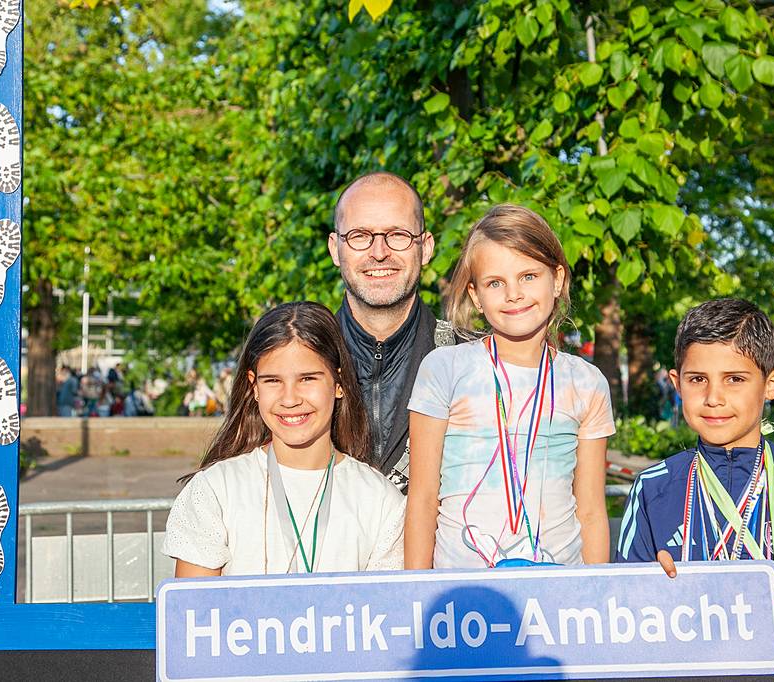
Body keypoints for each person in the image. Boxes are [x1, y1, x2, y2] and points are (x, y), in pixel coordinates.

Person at [615, 298, 774, 605]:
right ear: (677, 384)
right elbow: (623, 611)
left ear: (772, 384)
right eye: (697, 379)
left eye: (734, 379)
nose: (713, 398)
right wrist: (651, 593)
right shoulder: (652, 489)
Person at [404, 204, 615, 569]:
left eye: (528, 276)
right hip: (461, 587)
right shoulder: (443, 369)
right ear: (476, 297)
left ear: (557, 280)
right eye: (495, 283)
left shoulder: (587, 382)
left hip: (559, 585)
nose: (513, 294)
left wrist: (594, 592)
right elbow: (422, 499)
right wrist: (417, 592)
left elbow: (592, 510)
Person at [162, 302, 405, 577]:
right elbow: (196, 602)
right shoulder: (215, 490)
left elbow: (384, 601)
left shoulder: (380, 500)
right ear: (254, 387)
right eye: (273, 381)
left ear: (338, 384)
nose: (290, 399)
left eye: (307, 379)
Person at [328, 171, 453, 493]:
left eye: (398, 235)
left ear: (426, 247)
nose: (379, 251)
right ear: (335, 248)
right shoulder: (297, 362)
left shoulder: (473, 361)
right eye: (360, 235)